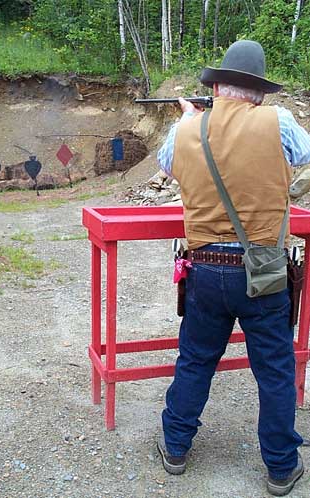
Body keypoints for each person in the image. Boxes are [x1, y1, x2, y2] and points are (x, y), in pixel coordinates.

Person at [156, 40, 310, 496]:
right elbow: (302, 155)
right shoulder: (276, 120)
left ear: (217, 85)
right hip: (262, 269)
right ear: (258, 92)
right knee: (276, 369)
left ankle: (176, 447)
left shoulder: (187, 128)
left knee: (196, 360)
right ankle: (281, 467)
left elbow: (168, 165)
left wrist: (190, 119)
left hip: (203, 268)